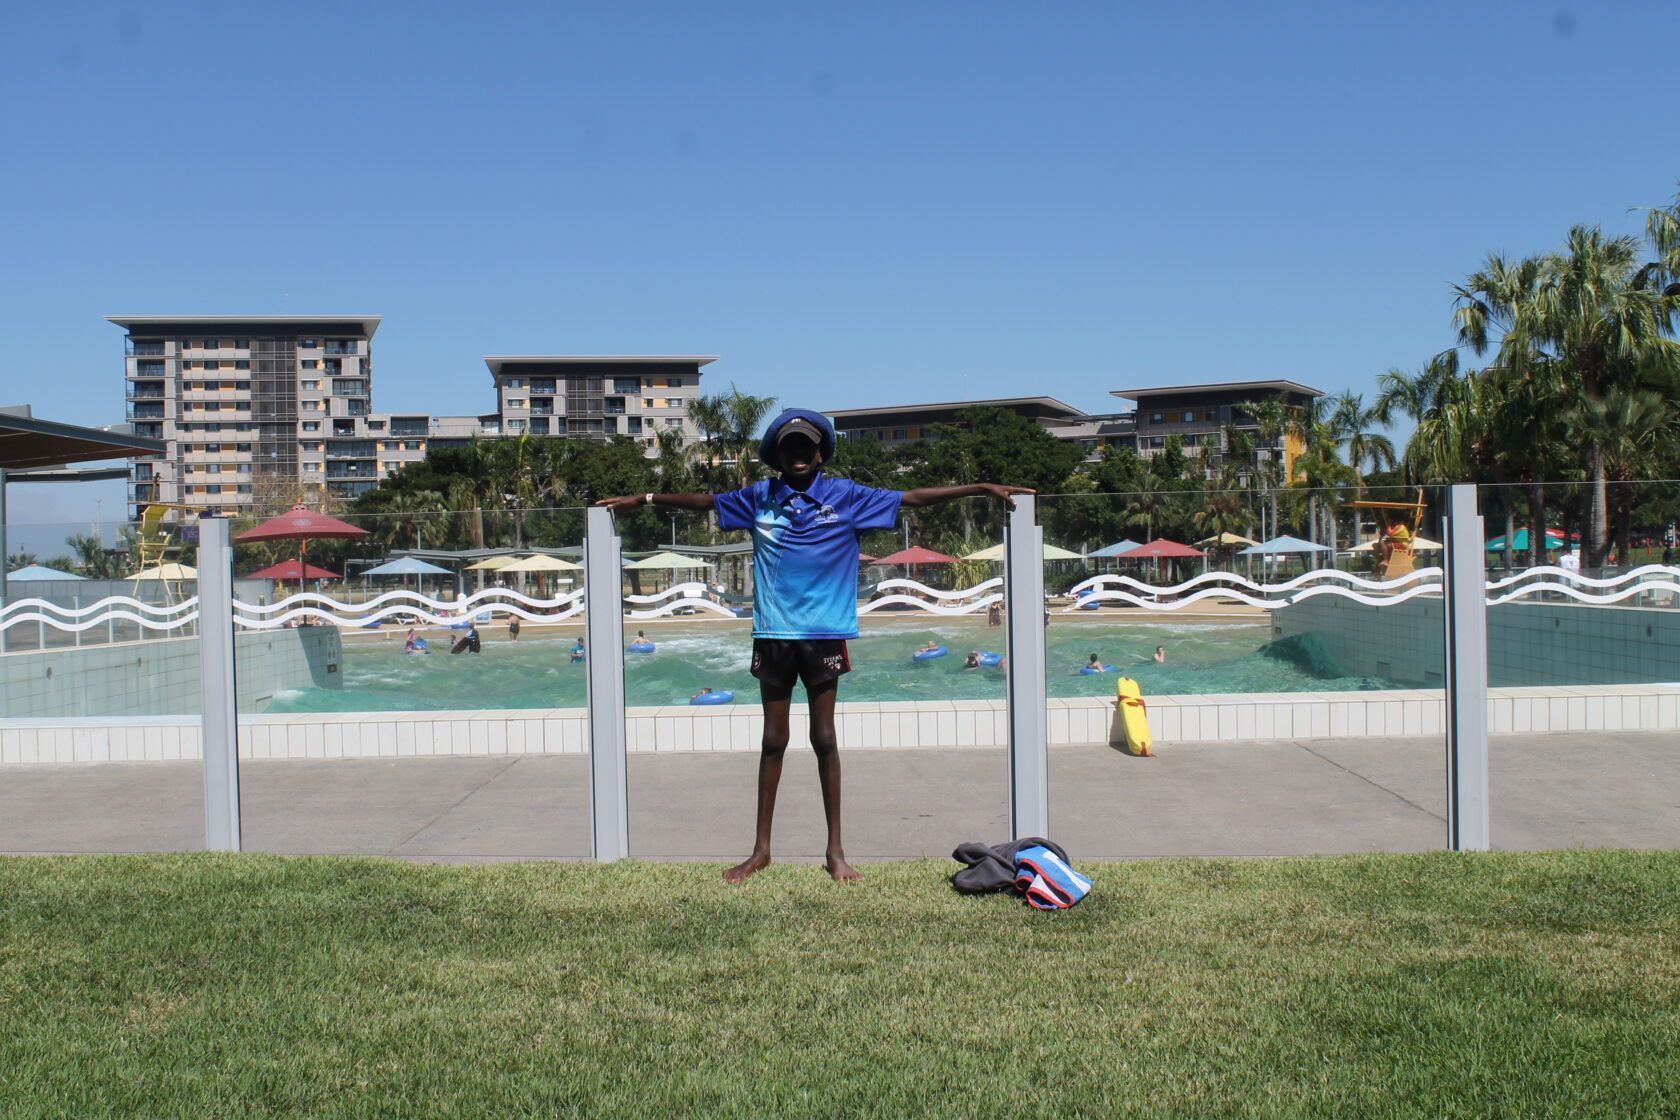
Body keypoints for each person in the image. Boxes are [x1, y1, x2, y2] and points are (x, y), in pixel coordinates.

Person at [598, 408, 1029, 884]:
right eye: (790, 447)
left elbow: (914, 498)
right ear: (778, 456)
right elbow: (705, 501)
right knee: (772, 741)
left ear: (820, 453)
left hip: (825, 632)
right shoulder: (759, 497)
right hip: (773, 634)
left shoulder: (847, 496)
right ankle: (760, 851)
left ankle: (835, 852)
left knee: (824, 738)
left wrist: (982, 487)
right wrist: (647, 497)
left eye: (806, 447)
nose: (799, 454)